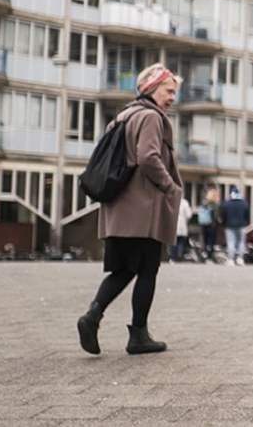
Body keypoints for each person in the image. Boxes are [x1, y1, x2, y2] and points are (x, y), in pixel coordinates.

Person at [76, 63, 183, 355]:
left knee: (123, 270)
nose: (172, 98)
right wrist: (169, 186)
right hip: (143, 210)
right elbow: (148, 157)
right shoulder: (150, 117)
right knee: (147, 269)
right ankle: (138, 335)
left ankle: (93, 315)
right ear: (151, 88)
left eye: (174, 92)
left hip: (119, 210)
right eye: (168, 91)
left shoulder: (124, 115)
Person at [220, 186, 251, 266]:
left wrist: (224, 224)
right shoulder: (244, 203)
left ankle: (231, 259)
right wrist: (245, 222)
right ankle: (240, 258)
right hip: (241, 225)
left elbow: (223, 215)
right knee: (241, 242)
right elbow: (247, 215)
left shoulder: (227, 204)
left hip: (229, 225)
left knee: (231, 242)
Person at [197, 185, 220, 263]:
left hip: (204, 224)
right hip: (212, 225)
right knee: (211, 241)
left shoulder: (204, 203)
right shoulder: (214, 205)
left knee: (205, 240)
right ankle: (209, 256)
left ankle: (205, 253)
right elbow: (216, 216)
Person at [171, 196, 192, 263]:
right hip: (182, 225)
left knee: (174, 242)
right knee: (181, 241)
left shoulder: (171, 202)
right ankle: (181, 254)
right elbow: (189, 215)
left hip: (173, 225)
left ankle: (174, 257)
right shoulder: (184, 203)